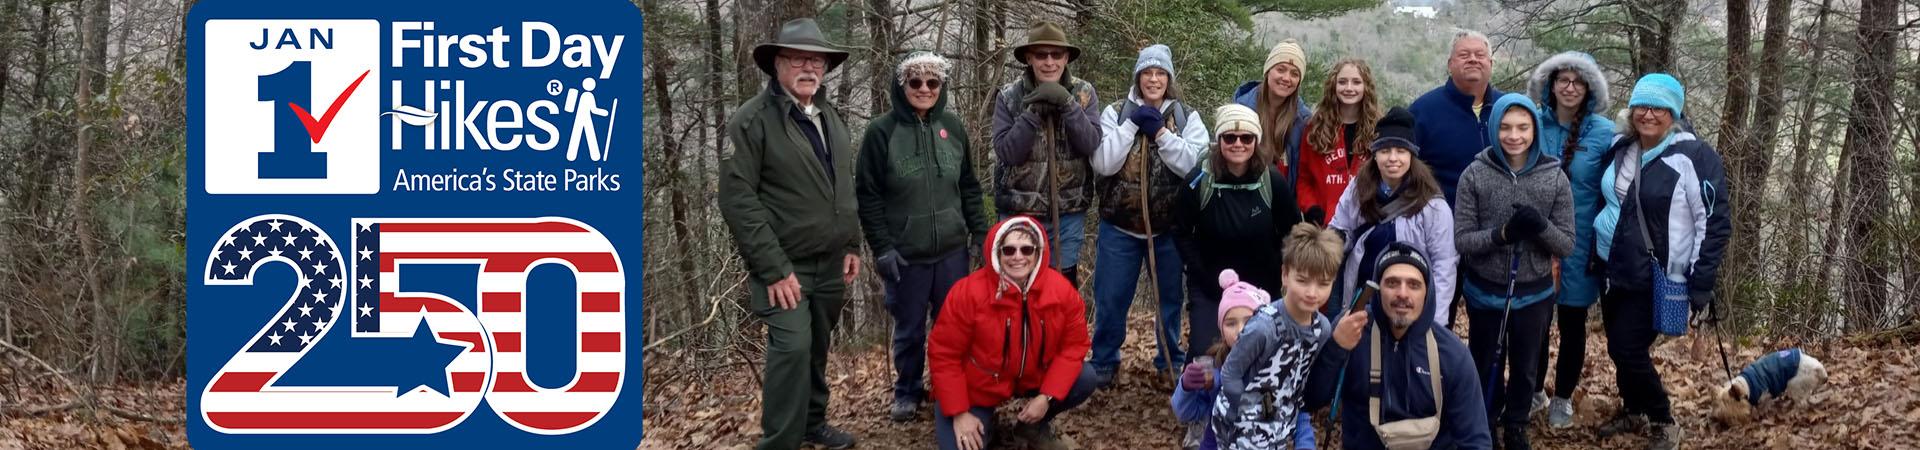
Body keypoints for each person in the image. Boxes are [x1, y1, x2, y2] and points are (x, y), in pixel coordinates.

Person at [718, 18, 861, 450]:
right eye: (797, 58)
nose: (808, 67)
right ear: (777, 64)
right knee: (792, 348)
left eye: (815, 60)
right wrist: (775, 268)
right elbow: (738, 201)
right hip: (784, 267)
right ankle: (780, 440)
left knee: (817, 346)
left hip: (831, 262)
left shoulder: (830, 118)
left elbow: (843, 184)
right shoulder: (752, 121)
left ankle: (813, 424)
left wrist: (851, 242)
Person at [1590, 73, 1730, 450]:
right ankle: (1633, 408)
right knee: (1617, 346)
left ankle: (1663, 419)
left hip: (1657, 272)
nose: (1647, 114)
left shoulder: (1694, 156)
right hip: (1611, 264)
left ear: (1675, 113)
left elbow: (1713, 221)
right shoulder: (1623, 146)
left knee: (1627, 348)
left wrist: (1701, 280)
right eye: (1641, 106)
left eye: (1659, 108)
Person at [855, 51, 991, 423]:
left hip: (951, 251)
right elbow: (868, 195)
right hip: (906, 254)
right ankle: (908, 390)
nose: (924, 88)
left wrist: (980, 232)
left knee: (956, 326)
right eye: (915, 81)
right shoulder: (881, 132)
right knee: (910, 330)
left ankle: (955, 388)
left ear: (941, 86)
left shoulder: (953, 127)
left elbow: (968, 185)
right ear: (902, 86)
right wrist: (882, 247)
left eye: (933, 82)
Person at [1452, 93, 1575, 450]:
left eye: (1523, 127)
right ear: (1494, 129)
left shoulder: (1554, 177)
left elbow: (1566, 243)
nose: (1514, 135)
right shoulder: (1475, 174)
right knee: (1485, 359)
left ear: (1534, 130)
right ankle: (1485, 420)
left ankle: (1517, 422)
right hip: (1484, 289)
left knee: (1525, 366)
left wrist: (1539, 226)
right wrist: (1501, 235)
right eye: (1505, 127)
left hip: (1533, 292)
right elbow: (1462, 239)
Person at [1087, 44, 1209, 387]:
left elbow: (1195, 166)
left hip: (1168, 229)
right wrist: (1131, 127)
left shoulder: (1186, 117)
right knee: (1111, 298)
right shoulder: (1115, 113)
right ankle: (1104, 363)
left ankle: (1169, 360)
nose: (1153, 79)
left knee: (1169, 300)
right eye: (1147, 73)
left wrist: (1160, 133)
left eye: (1160, 73)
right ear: (1138, 77)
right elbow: (1103, 163)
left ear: (1168, 78)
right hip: (1119, 228)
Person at [929, 216, 1098, 450]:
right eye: (1008, 250)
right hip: (979, 387)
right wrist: (959, 413)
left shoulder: (1062, 292)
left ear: (1038, 253)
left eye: (1026, 249)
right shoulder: (967, 293)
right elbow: (944, 354)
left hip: (1034, 377)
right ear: (997, 252)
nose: (1018, 257)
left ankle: (1032, 425)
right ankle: (981, 422)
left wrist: (1047, 397)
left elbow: (1074, 347)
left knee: (1085, 377)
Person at [1304, 243, 1493, 449]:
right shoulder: (1352, 331)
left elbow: (1476, 440)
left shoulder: (1451, 355)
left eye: (1413, 285)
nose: (1402, 293)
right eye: (1392, 283)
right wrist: (1336, 347)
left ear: (1427, 293)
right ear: (1377, 288)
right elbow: (1312, 399)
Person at [1523, 51, 1617, 429]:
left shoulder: (1605, 132)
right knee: (1535, 322)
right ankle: (1534, 392)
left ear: (1590, 88)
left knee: (1572, 323)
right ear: (1550, 83)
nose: (1569, 87)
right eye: (1562, 79)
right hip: (1535, 241)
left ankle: (1562, 397)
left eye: (1578, 81)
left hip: (1579, 243)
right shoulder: (1532, 124)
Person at [1173, 104, 1303, 357]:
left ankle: (1255, 396)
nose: (1238, 144)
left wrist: (1283, 272)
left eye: (1246, 137)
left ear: (1256, 140)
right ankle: (1202, 394)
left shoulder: (1271, 180)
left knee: (1264, 350)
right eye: (1229, 137)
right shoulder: (1199, 180)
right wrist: (1200, 273)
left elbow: (1292, 232)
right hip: (1211, 286)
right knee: (1204, 353)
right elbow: (1180, 231)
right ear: (1219, 140)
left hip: (1262, 285)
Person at [1212, 223, 1353, 450]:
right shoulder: (1264, 327)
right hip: (1242, 427)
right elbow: (1230, 372)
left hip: (1281, 426)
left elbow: (1302, 380)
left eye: (1323, 283)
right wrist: (1249, 412)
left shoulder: (1322, 328)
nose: (1312, 292)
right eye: (1303, 280)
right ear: (1285, 274)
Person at [991, 21, 1103, 288]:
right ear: (1029, 58)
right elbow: (1007, 152)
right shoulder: (1009, 96)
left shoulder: (1083, 93)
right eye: (1041, 55)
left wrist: (1067, 104)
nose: (1049, 62)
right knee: (1017, 287)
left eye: (1056, 55)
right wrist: (1032, 114)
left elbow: (1091, 143)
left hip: (1068, 210)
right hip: (1019, 211)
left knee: (1060, 287)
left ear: (1066, 58)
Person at [1328, 107, 1459, 325]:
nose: (1393, 158)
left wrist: (1434, 321)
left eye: (1401, 150)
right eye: (1385, 150)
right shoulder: (1358, 188)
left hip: (1407, 301)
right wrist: (1336, 240)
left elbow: (1444, 264)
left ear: (1412, 155)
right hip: (1363, 294)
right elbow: (1341, 227)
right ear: (1375, 154)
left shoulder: (1431, 204)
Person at [1409, 30, 1505, 203]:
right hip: (1444, 221)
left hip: (1502, 222)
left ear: (1490, 63)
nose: (1473, 59)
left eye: (1480, 54)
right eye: (1464, 54)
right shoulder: (1423, 110)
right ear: (1450, 64)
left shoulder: (1509, 108)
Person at [1295, 58, 1384, 220]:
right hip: (1325, 225)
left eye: (1356, 82)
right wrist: (1311, 208)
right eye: (1342, 82)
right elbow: (1304, 179)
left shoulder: (1379, 129)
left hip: (1365, 223)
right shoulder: (1315, 128)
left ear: (1366, 87)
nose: (1349, 88)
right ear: (1334, 86)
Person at [1231, 40, 1313, 194]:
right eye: (1281, 69)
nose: (1286, 78)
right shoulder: (1241, 110)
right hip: (1242, 197)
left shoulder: (1304, 120)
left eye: (1294, 73)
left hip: (1284, 203)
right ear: (1268, 71)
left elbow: (1306, 172)